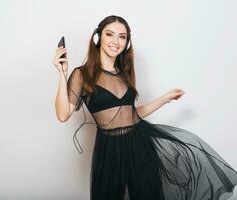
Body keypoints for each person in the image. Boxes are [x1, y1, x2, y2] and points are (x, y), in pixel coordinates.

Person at [53, 15, 237, 200]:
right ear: (98, 37)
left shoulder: (124, 73)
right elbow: (63, 114)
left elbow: (131, 115)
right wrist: (62, 73)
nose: (116, 41)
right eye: (110, 34)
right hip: (109, 149)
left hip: (140, 144)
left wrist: (164, 99)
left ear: (127, 42)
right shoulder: (82, 74)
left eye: (122, 37)